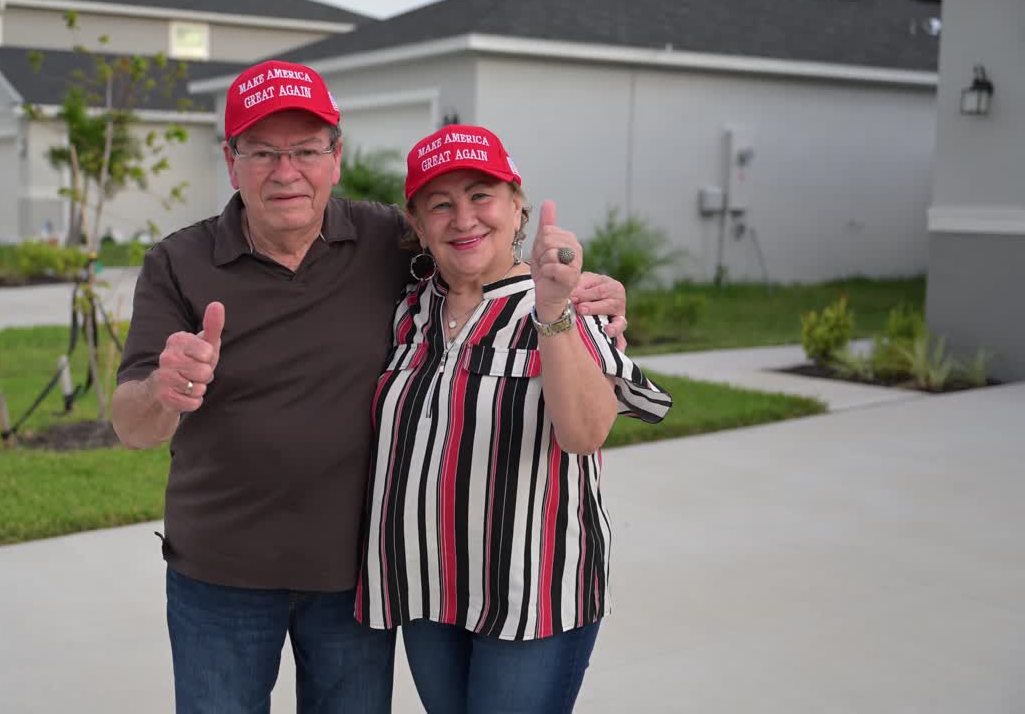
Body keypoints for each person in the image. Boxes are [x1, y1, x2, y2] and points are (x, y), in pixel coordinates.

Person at [111, 60, 632, 713]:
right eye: (263, 152)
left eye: (305, 149)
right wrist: (165, 389)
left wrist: (585, 296)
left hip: (353, 581)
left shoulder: (386, 238)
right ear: (230, 159)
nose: (286, 170)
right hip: (221, 575)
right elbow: (130, 425)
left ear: (336, 155)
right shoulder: (178, 263)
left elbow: (481, 255)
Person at [354, 125, 672, 713]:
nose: (463, 217)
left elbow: (585, 433)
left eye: (481, 195)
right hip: (429, 589)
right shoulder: (410, 308)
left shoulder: (563, 301)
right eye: (440, 204)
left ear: (516, 204)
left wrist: (553, 308)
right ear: (417, 224)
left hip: (533, 595)